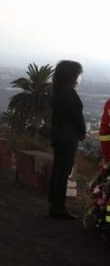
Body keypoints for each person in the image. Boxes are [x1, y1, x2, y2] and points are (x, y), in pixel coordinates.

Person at [49, 60, 86, 220]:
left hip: (58, 134)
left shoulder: (57, 91)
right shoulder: (70, 93)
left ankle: (53, 203)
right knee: (64, 171)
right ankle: (59, 208)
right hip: (68, 137)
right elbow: (77, 117)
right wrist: (82, 132)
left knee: (58, 170)